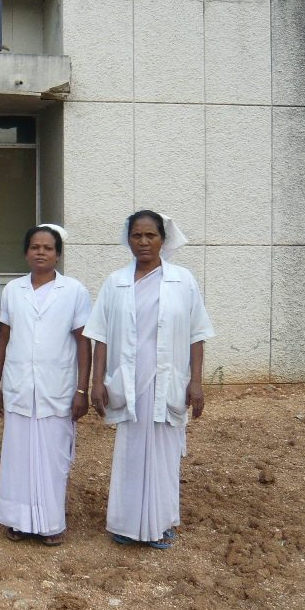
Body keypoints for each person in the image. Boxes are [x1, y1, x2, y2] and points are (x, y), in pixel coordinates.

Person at [85, 210, 214, 549]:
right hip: (129, 382)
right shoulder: (115, 282)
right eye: (137, 236)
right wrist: (96, 381)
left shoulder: (183, 281)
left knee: (165, 453)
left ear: (163, 239)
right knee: (130, 452)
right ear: (128, 239)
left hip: (168, 381)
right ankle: (126, 525)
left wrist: (196, 382)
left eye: (150, 236)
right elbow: (100, 336)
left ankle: (161, 523)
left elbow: (196, 335)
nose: (143, 242)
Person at [0, 225, 91, 545]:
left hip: (56, 389)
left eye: (48, 248)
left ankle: (50, 523)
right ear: (26, 252)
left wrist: (81, 389)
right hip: (20, 387)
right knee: (18, 458)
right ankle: (18, 521)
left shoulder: (74, 291)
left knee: (52, 457)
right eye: (35, 247)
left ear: (58, 254)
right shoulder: (13, 290)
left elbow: (83, 342)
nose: (41, 252)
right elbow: (2, 339)